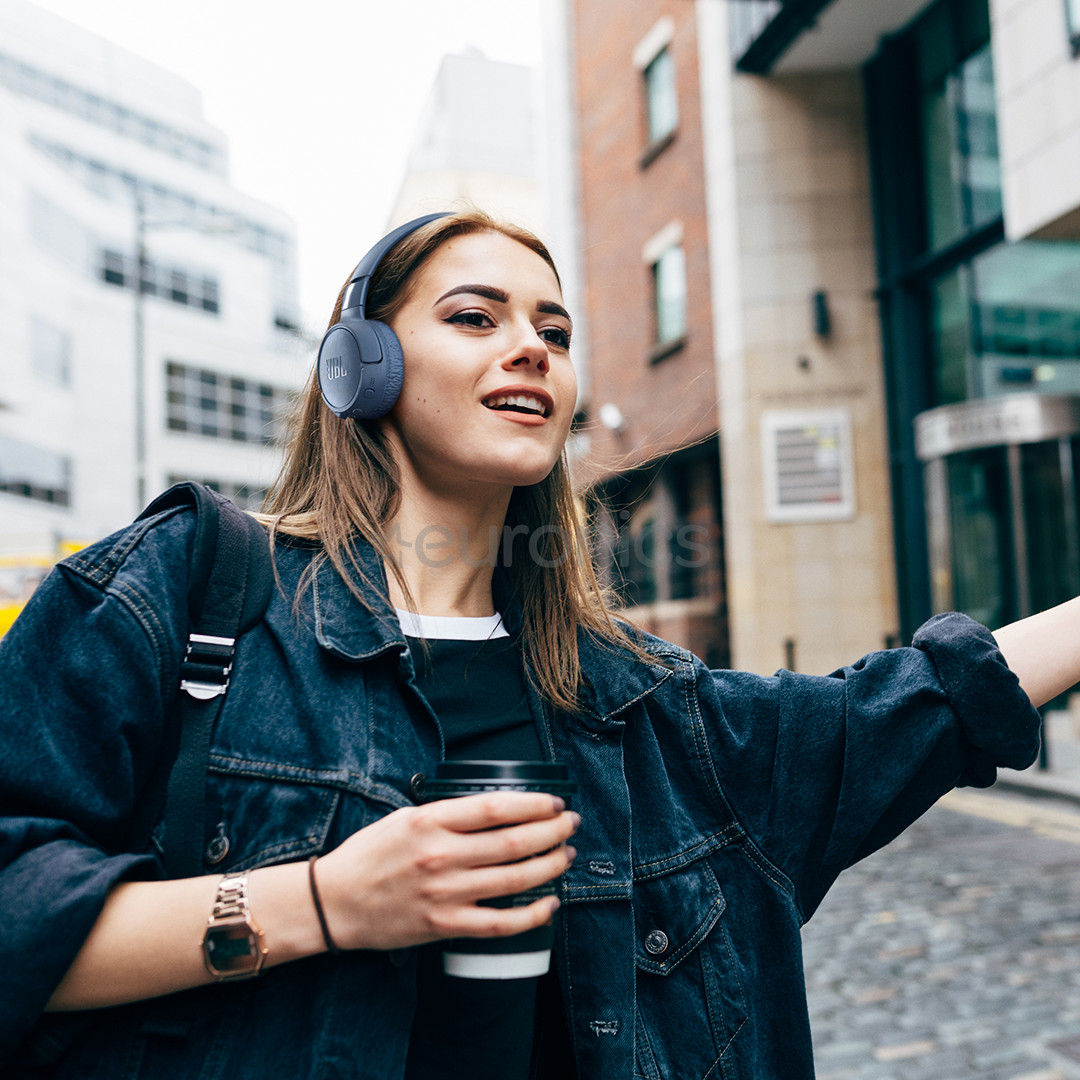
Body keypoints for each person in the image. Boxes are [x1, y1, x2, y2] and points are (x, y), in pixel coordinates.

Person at [0, 207, 1067, 1078]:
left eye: (555, 334)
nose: (532, 348)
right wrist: (323, 902)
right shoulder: (183, 591)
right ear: (360, 367)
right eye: (476, 316)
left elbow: (917, 706)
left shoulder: (640, 704)